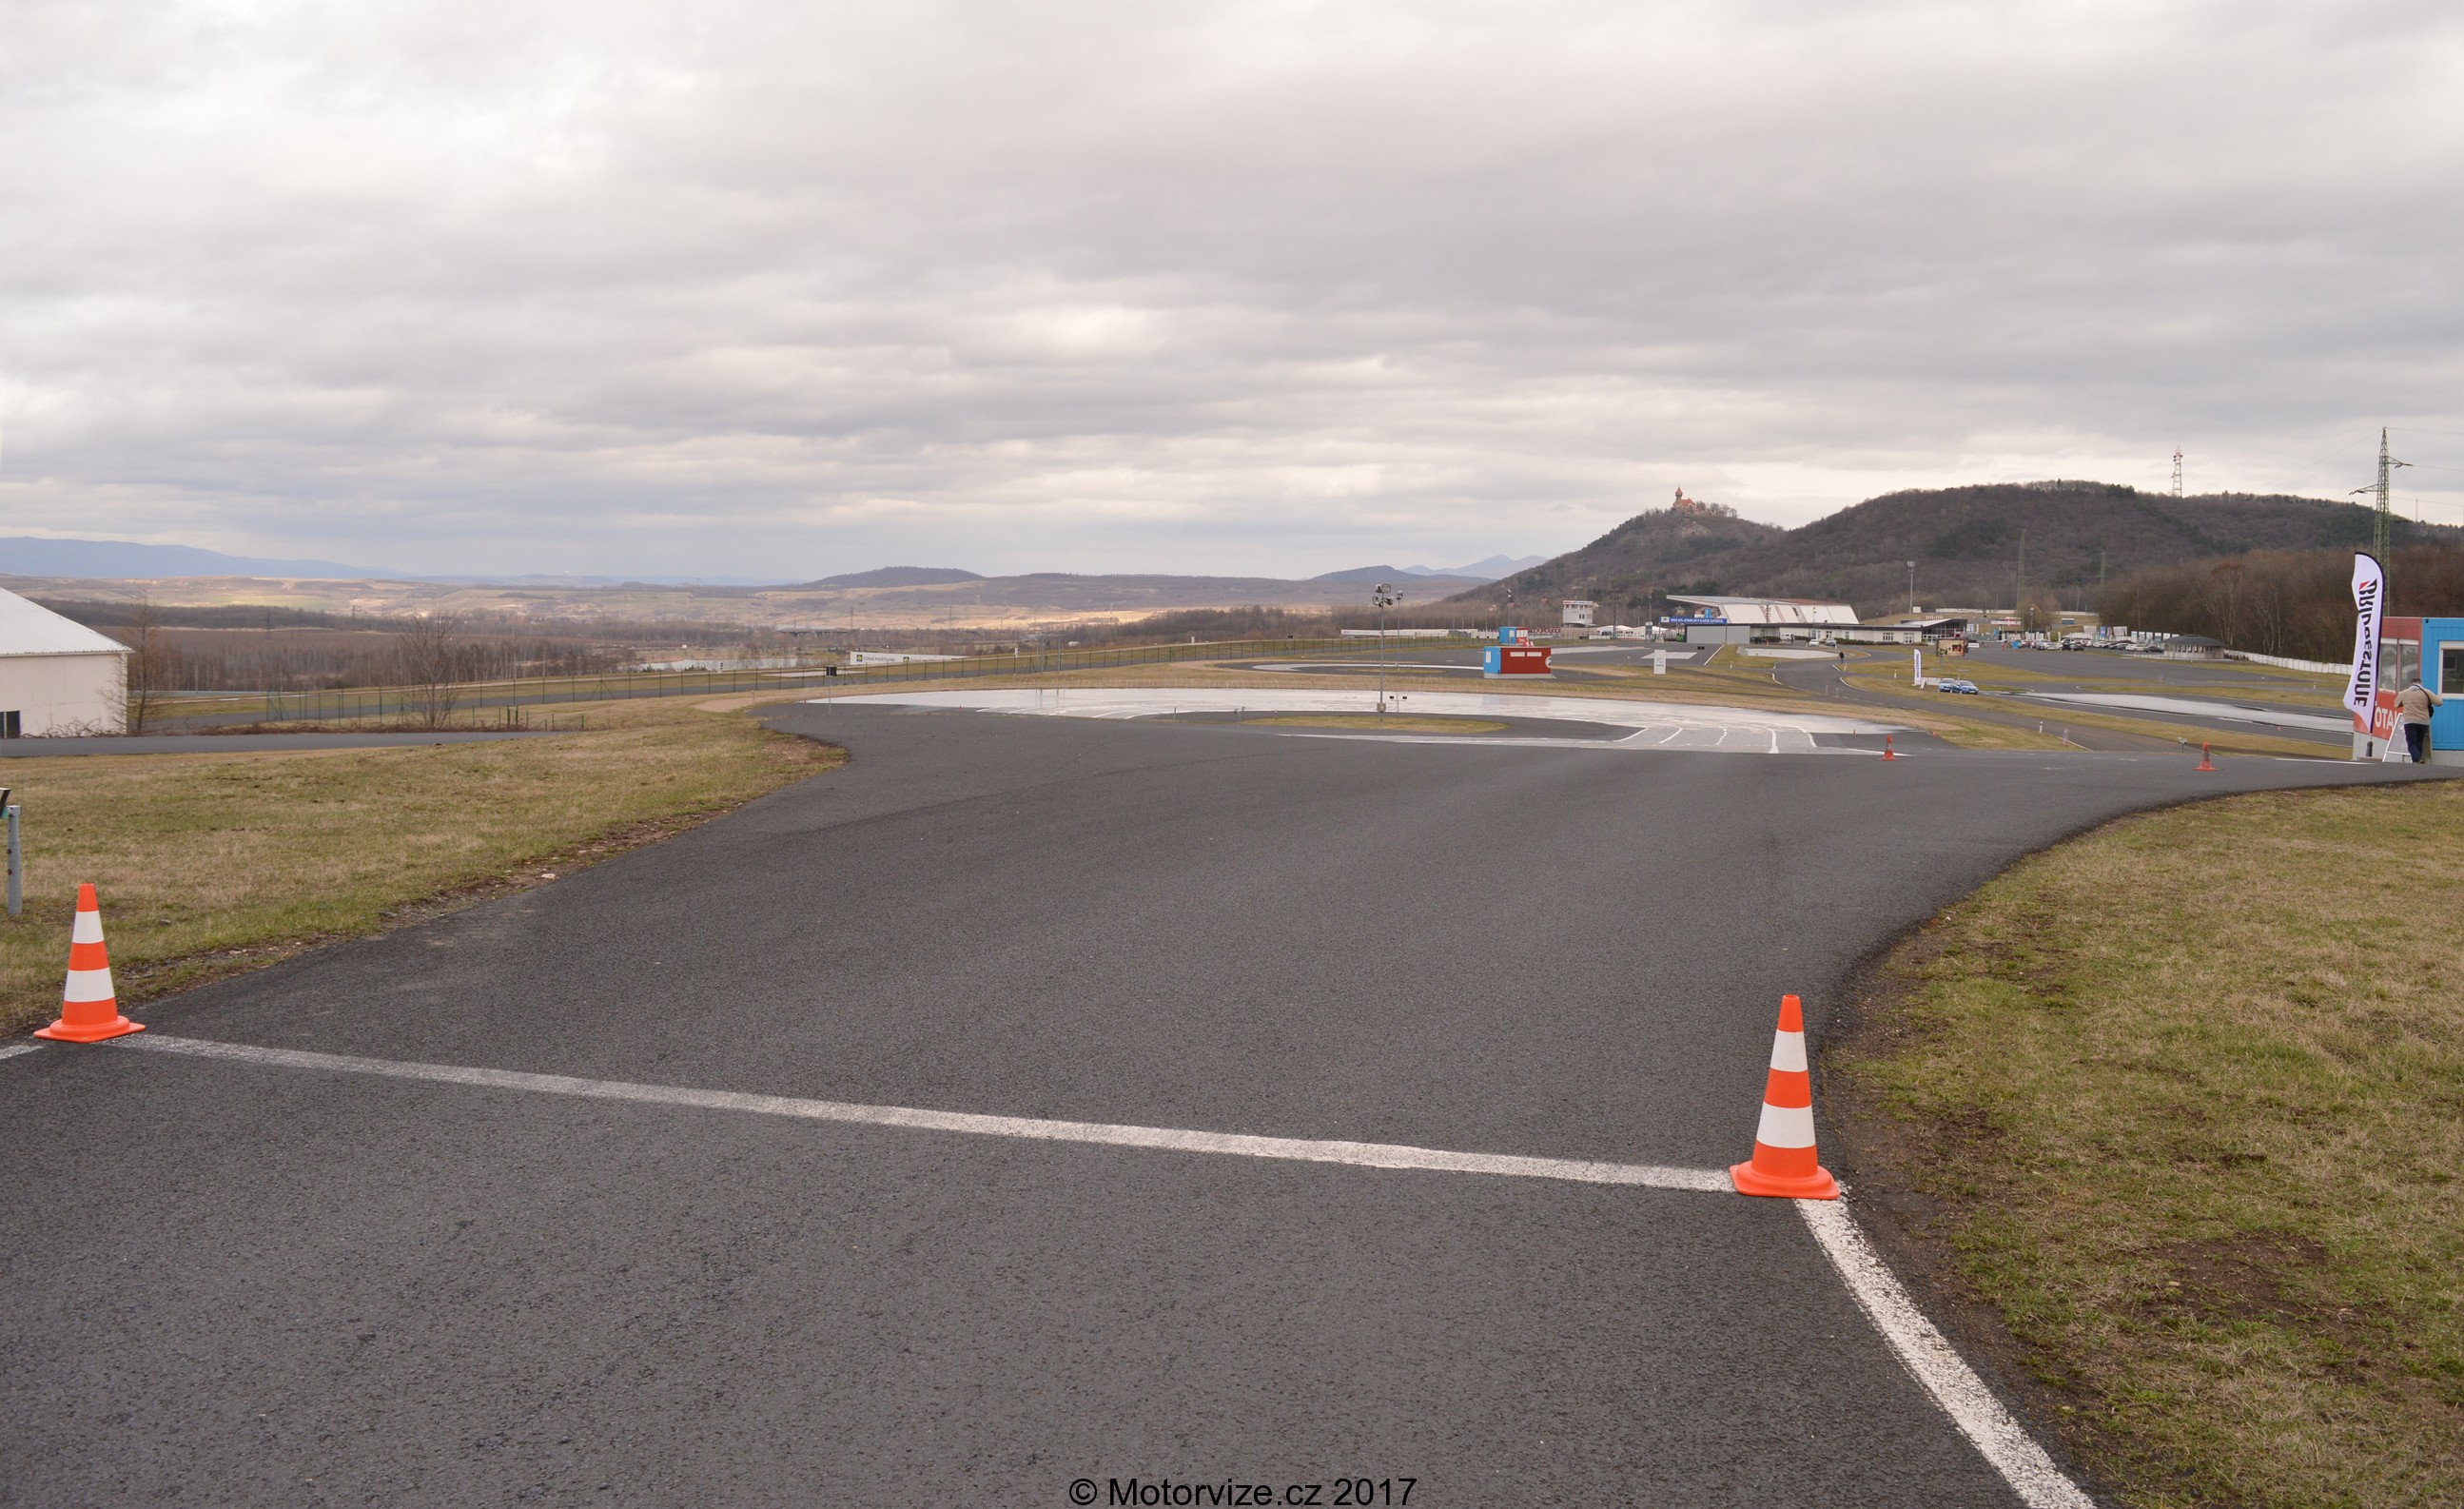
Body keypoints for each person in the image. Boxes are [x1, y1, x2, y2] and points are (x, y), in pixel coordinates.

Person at [2394, 677, 2443, 763]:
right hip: (2423, 722)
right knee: (2419, 741)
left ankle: (2416, 760)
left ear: (2411, 683)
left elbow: (2396, 704)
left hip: (2409, 721)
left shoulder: (2404, 693)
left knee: (2412, 743)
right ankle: (2417, 760)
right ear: (2420, 683)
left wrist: (2406, 702)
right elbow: (2439, 702)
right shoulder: (2426, 692)